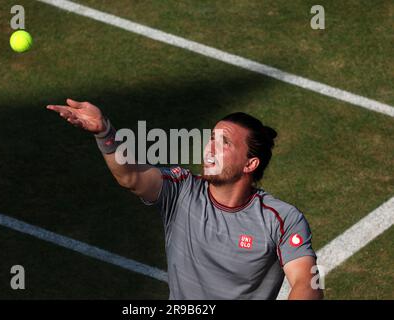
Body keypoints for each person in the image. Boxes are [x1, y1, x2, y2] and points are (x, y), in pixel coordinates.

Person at [46, 98, 323, 300]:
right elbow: (131, 177)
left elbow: (306, 283)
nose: (210, 147)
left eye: (224, 142)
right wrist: (105, 133)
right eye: (211, 137)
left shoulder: (281, 219)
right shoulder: (181, 191)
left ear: (250, 165)